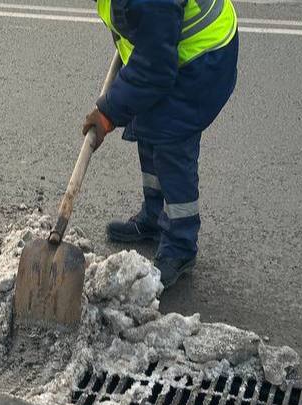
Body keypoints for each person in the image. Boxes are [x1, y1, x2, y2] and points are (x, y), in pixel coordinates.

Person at [83, 0, 240, 288]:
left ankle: (180, 246)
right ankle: (155, 216)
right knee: (149, 122)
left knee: (170, 141)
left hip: (203, 60)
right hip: (166, 51)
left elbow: (154, 70)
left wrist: (107, 113)